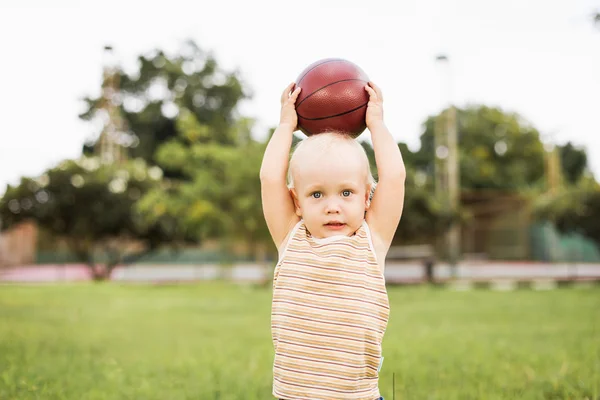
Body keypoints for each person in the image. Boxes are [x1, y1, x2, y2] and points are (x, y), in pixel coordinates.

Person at [260, 81, 406, 400]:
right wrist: (286, 125)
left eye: (346, 192)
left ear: (367, 197)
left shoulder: (371, 242)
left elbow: (394, 178)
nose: (333, 205)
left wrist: (376, 124)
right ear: (296, 202)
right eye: (316, 194)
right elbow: (270, 178)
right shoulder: (291, 237)